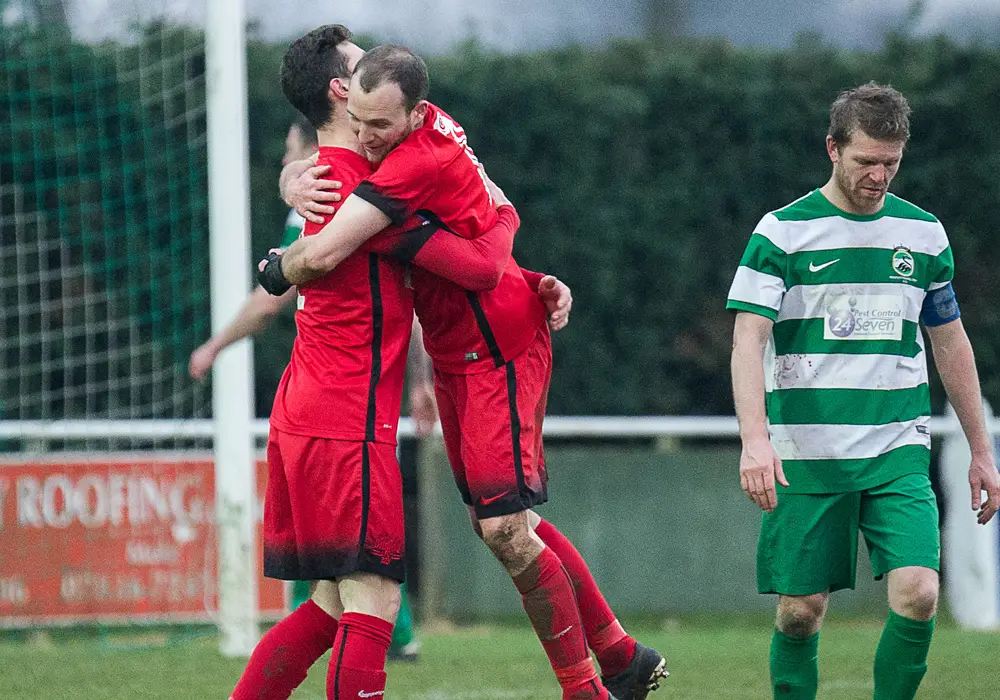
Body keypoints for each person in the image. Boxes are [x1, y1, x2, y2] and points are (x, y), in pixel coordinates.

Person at [264, 43, 667, 700]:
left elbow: (455, 258)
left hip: (493, 349)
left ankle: (593, 685)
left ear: (411, 109)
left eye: (380, 122)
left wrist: (276, 263)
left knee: (499, 530)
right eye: (360, 116)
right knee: (419, 569)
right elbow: (496, 211)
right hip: (427, 368)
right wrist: (291, 180)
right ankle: (619, 657)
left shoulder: (400, 162)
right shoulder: (373, 151)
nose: (369, 131)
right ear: (343, 92)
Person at [231, 25, 553, 700]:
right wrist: (275, 267)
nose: (377, 65)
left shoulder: (334, 177)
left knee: (327, 606)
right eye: (360, 64)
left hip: (308, 411)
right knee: (373, 601)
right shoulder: (363, 187)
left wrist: (289, 182)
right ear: (342, 91)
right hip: (345, 420)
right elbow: (328, 256)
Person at [727, 82, 1000, 700]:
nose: (879, 176)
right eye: (866, 162)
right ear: (832, 148)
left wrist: (982, 451)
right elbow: (748, 342)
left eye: (892, 163)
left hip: (896, 449)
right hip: (804, 454)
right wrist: (754, 441)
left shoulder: (923, 234)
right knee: (801, 612)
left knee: (921, 591)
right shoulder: (781, 234)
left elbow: (951, 343)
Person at [188, 116, 425, 659]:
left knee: (330, 556)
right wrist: (419, 381)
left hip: (337, 394)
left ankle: (369, 636)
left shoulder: (324, 207)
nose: (287, 166)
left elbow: (276, 295)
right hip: (362, 395)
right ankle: (395, 635)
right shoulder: (359, 192)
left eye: (292, 152)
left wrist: (216, 343)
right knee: (363, 544)